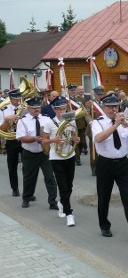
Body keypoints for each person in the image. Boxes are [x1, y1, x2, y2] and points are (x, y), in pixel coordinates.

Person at [92, 93, 128, 241]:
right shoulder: (98, 122)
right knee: (104, 197)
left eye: (115, 106)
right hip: (105, 163)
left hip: (122, 163)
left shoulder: (126, 121)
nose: (113, 109)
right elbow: (98, 138)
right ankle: (104, 226)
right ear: (104, 108)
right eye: (110, 107)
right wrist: (115, 125)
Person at [42, 96, 81, 226]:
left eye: (64, 109)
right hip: (56, 157)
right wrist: (54, 140)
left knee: (69, 186)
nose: (62, 111)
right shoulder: (49, 122)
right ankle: (69, 213)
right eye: (59, 109)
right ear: (55, 110)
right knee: (63, 186)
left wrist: (76, 140)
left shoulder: (71, 121)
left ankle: (61, 202)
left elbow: (74, 136)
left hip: (69, 155)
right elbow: (44, 141)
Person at [15, 96, 59, 209]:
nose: (37, 110)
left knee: (50, 177)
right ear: (28, 108)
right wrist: (35, 139)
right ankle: (26, 198)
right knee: (29, 178)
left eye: (38, 107)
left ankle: (53, 202)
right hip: (30, 154)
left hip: (45, 153)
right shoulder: (22, 121)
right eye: (34, 108)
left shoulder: (46, 118)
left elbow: (53, 132)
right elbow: (21, 138)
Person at [0, 88, 24, 196]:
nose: (18, 101)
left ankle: (28, 191)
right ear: (10, 98)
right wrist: (7, 120)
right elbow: (2, 129)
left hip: (24, 139)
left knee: (28, 166)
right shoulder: (3, 110)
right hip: (11, 140)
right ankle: (15, 188)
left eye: (19, 98)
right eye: (15, 99)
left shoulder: (25, 108)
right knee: (12, 166)